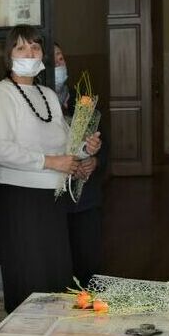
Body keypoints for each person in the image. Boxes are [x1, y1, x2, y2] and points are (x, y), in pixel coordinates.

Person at [0, 25, 101, 312]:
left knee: (56, 277)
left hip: (52, 199)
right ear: (9, 54)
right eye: (21, 48)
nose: (29, 53)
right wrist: (50, 162)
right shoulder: (1, 94)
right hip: (19, 199)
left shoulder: (47, 94)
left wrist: (85, 151)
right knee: (30, 279)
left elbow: (64, 145)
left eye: (35, 48)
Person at [55, 42, 105, 288]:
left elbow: (104, 142)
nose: (59, 63)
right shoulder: (38, 103)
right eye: (52, 59)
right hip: (55, 197)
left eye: (61, 57)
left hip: (86, 200)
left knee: (89, 265)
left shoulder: (81, 100)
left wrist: (94, 160)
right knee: (61, 267)